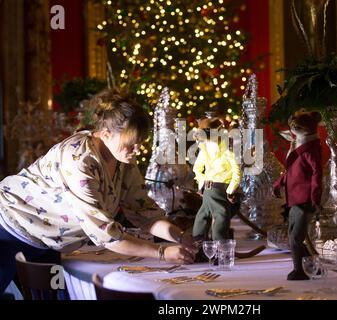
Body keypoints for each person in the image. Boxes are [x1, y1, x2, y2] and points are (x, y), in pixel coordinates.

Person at [0, 89, 196, 295]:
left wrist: (180, 237)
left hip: (46, 242)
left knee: (57, 294)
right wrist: (162, 253)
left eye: (140, 143)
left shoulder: (123, 159)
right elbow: (106, 235)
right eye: (131, 144)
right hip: (8, 227)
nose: (137, 150)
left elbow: (143, 212)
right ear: (105, 134)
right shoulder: (79, 160)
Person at [273, 110, 322, 281]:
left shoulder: (310, 149)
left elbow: (317, 174)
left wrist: (315, 198)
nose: (293, 128)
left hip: (304, 199)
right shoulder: (297, 145)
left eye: (297, 126)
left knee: (295, 238)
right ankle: (313, 266)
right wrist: (279, 183)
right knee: (294, 234)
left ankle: (298, 270)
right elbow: (291, 170)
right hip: (294, 198)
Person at [192, 116, 241, 241]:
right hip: (208, 190)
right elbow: (197, 168)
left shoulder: (228, 151)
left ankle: (220, 247)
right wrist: (202, 184)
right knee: (202, 217)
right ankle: (199, 244)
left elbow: (237, 172)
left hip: (221, 189)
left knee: (220, 217)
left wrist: (230, 190)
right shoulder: (205, 149)